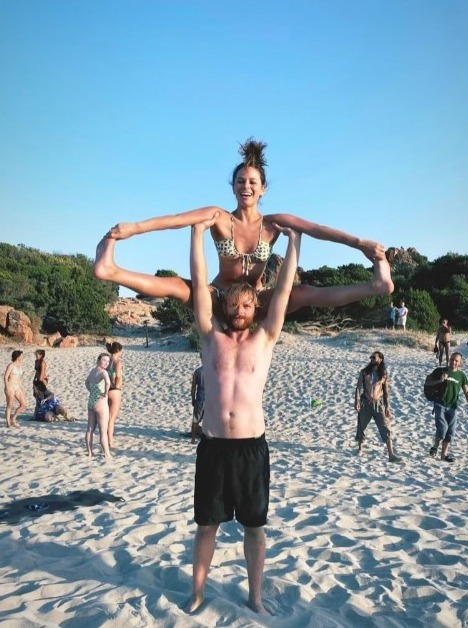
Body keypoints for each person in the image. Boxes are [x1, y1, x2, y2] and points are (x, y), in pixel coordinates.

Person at [93, 138, 394, 322]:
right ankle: (111, 270)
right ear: (233, 186)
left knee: (303, 293)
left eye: (252, 182)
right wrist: (134, 228)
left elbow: (317, 229)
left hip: (257, 300)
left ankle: (376, 287)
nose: (245, 186)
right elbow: (176, 219)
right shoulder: (219, 217)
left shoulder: (274, 222)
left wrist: (359, 243)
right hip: (221, 296)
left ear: (263, 189)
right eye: (240, 181)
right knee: (176, 286)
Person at [186, 215, 300, 614]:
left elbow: (284, 288)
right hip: (214, 446)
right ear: (224, 305)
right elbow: (200, 284)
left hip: (252, 448)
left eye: (247, 304)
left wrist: (294, 242)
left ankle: (255, 597)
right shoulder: (210, 336)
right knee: (207, 526)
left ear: (256, 307)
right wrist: (198, 235)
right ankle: (197, 593)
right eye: (233, 303)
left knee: (255, 527)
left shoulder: (265, 338)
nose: (239, 309)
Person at [425, 352, 468, 462]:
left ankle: (444, 455)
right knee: (442, 429)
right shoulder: (440, 371)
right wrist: (440, 380)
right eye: (452, 359)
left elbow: (467, 391)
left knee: (451, 432)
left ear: (460, 363)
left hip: (453, 406)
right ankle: (435, 446)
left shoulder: (461, 375)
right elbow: (427, 382)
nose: (453, 362)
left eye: (456, 361)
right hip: (440, 404)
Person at [354, 351, 401, 463]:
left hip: (378, 404)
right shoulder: (365, 372)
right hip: (366, 403)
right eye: (371, 358)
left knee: (385, 427)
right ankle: (360, 448)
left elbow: (386, 392)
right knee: (361, 426)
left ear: (380, 359)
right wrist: (357, 401)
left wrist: (387, 407)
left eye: (374, 358)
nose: (372, 360)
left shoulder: (383, 374)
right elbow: (358, 387)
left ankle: (391, 454)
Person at [85, 353, 111, 458]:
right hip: (100, 403)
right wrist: (106, 392)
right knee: (103, 430)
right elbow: (108, 382)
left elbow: (86, 383)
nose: (106, 363)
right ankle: (107, 453)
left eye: (108, 361)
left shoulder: (92, 371)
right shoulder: (103, 372)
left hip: (91, 401)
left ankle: (90, 452)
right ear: (99, 360)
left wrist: (91, 391)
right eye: (104, 360)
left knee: (90, 429)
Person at [106, 341, 123, 448]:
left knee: (106, 418)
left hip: (107, 390)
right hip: (115, 391)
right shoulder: (117, 362)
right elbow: (117, 377)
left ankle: (105, 437)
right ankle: (110, 441)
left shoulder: (107, 361)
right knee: (112, 419)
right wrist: (117, 385)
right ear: (118, 351)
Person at [4, 350, 27, 428]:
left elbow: (19, 379)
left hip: (17, 386)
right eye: (21, 356)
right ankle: (8, 422)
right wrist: (7, 387)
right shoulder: (11, 365)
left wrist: (22, 388)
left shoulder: (20, 365)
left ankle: (13, 418)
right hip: (10, 385)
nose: (22, 357)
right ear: (17, 357)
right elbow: (6, 377)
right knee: (9, 405)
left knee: (23, 404)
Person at [190, 356, 205, 444]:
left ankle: (193, 439)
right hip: (210, 399)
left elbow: (193, 388)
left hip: (200, 398)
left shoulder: (198, 371)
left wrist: (193, 398)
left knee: (196, 419)